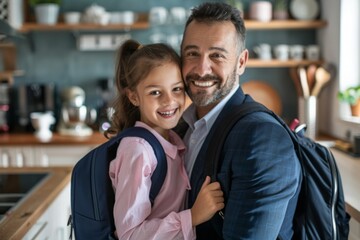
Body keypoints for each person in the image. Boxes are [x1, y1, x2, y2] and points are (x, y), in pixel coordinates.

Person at [180, 2, 302, 239]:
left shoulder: (263, 138)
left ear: (241, 62)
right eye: (192, 53)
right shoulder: (181, 126)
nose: (202, 68)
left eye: (217, 55)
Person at [105, 39, 224, 240]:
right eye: (155, 92)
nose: (169, 101)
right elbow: (130, 234)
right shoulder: (138, 150)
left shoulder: (175, 139)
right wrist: (192, 217)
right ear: (134, 97)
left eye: (176, 89)